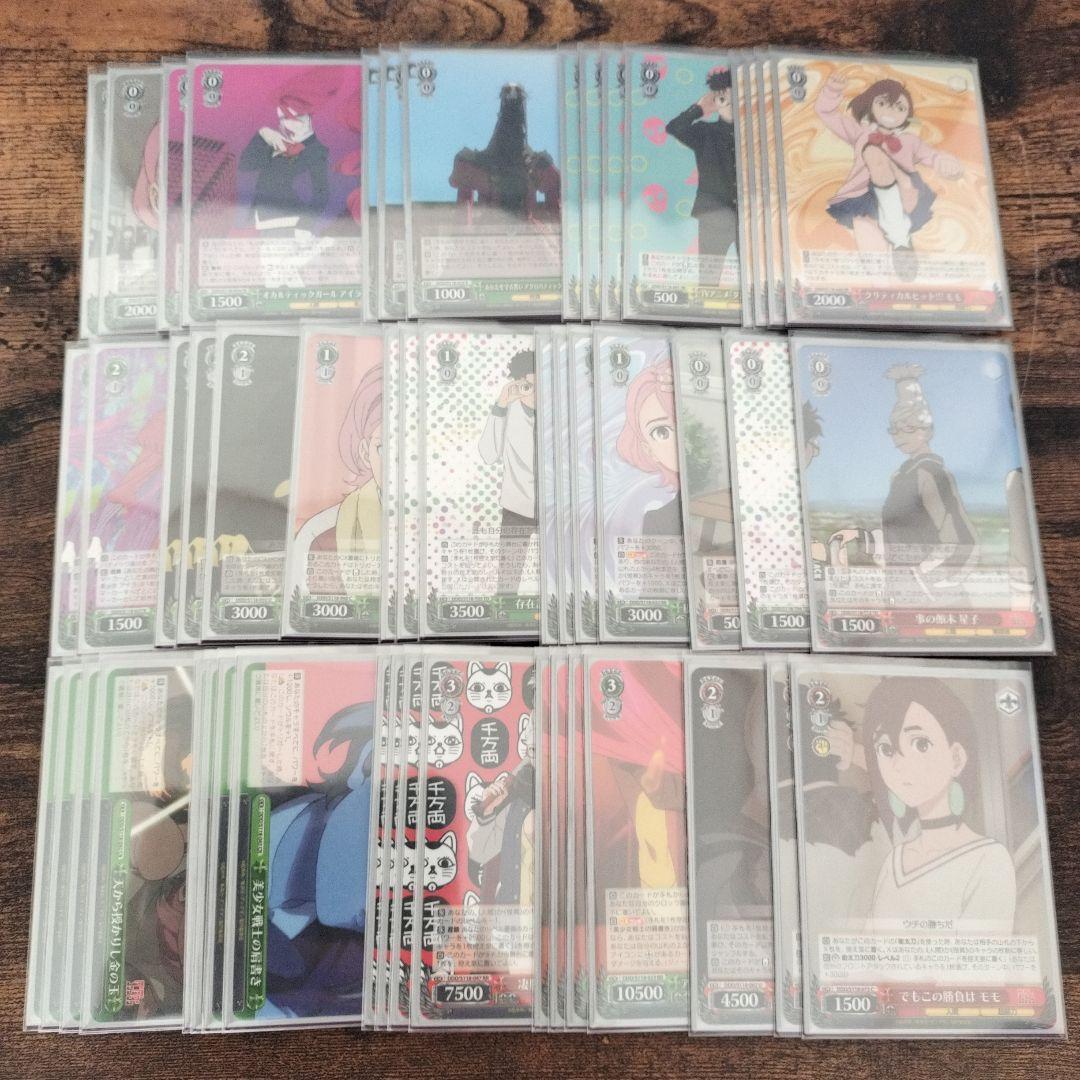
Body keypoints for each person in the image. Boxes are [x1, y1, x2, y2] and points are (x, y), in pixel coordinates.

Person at [861, 676, 1015, 933]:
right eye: (886, 749)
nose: (899, 764)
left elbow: (986, 954)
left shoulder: (989, 859)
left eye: (920, 744)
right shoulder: (893, 862)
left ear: (956, 758)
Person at [826, 364, 978, 602]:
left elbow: (961, 540)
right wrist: (859, 538)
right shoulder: (901, 476)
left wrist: (921, 575)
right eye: (894, 430)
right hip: (903, 594)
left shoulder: (930, 473)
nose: (899, 436)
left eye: (908, 428)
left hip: (934, 599)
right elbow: (901, 537)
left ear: (928, 430)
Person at [815, 72, 963, 265]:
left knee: (873, 153)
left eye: (900, 108)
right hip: (863, 195)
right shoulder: (861, 134)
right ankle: (894, 252)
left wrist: (946, 163)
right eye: (883, 103)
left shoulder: (910, 141)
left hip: (904, 193)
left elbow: (933, 156)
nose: (891, 112)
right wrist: (832, 91)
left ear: (907, 114)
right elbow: (827, 114)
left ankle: (898, 235)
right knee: (866, 234)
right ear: (870, 105)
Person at [478, 349, 538, 596]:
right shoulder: (508, 410)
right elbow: (488, 453)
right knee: (507, 585)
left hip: (554, 509)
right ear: (516, 384)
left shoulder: (560, 411)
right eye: (528, 386)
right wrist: (502, 403)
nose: (534, 394)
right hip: (516, 507)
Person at [665, 67, 738, 262]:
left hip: (750, 215)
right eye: (723, 99)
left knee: (758, 273)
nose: (730, 104)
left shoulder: (756, 133)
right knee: (708, 273)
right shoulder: (705, 132)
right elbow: (673, 128)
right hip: (712, 214)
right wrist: (698, 108)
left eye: (736, 98)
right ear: (715, 101)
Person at [615, 360, 682, 537]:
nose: (680, 440)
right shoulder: (657, 520)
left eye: (685, 422)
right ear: (648, 449)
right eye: (662, 432)